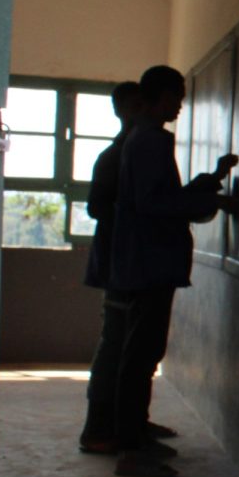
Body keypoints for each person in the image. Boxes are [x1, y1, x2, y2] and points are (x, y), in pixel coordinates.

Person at [109, 65, 237, 477]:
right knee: (140, 354)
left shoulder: (147, 139)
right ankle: (129, 447)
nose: (180, 104)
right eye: (176, 96)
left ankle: (135, 434)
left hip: (149, 262)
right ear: (157, 97)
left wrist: (210, 181)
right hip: (149, 263)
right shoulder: (149, 141)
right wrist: (209, 204)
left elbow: (161, 196)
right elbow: (153, 204)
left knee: (143, 353)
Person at [79, 81, 148, 454]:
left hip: (132, 263)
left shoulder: (139, 152)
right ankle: (98, 430)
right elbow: (96, 207)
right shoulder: (114, 156)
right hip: (119, 264)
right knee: (115, 348)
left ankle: (131, 423)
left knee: (132, 350)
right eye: (135, 105)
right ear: (120, 111)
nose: (143, 112)